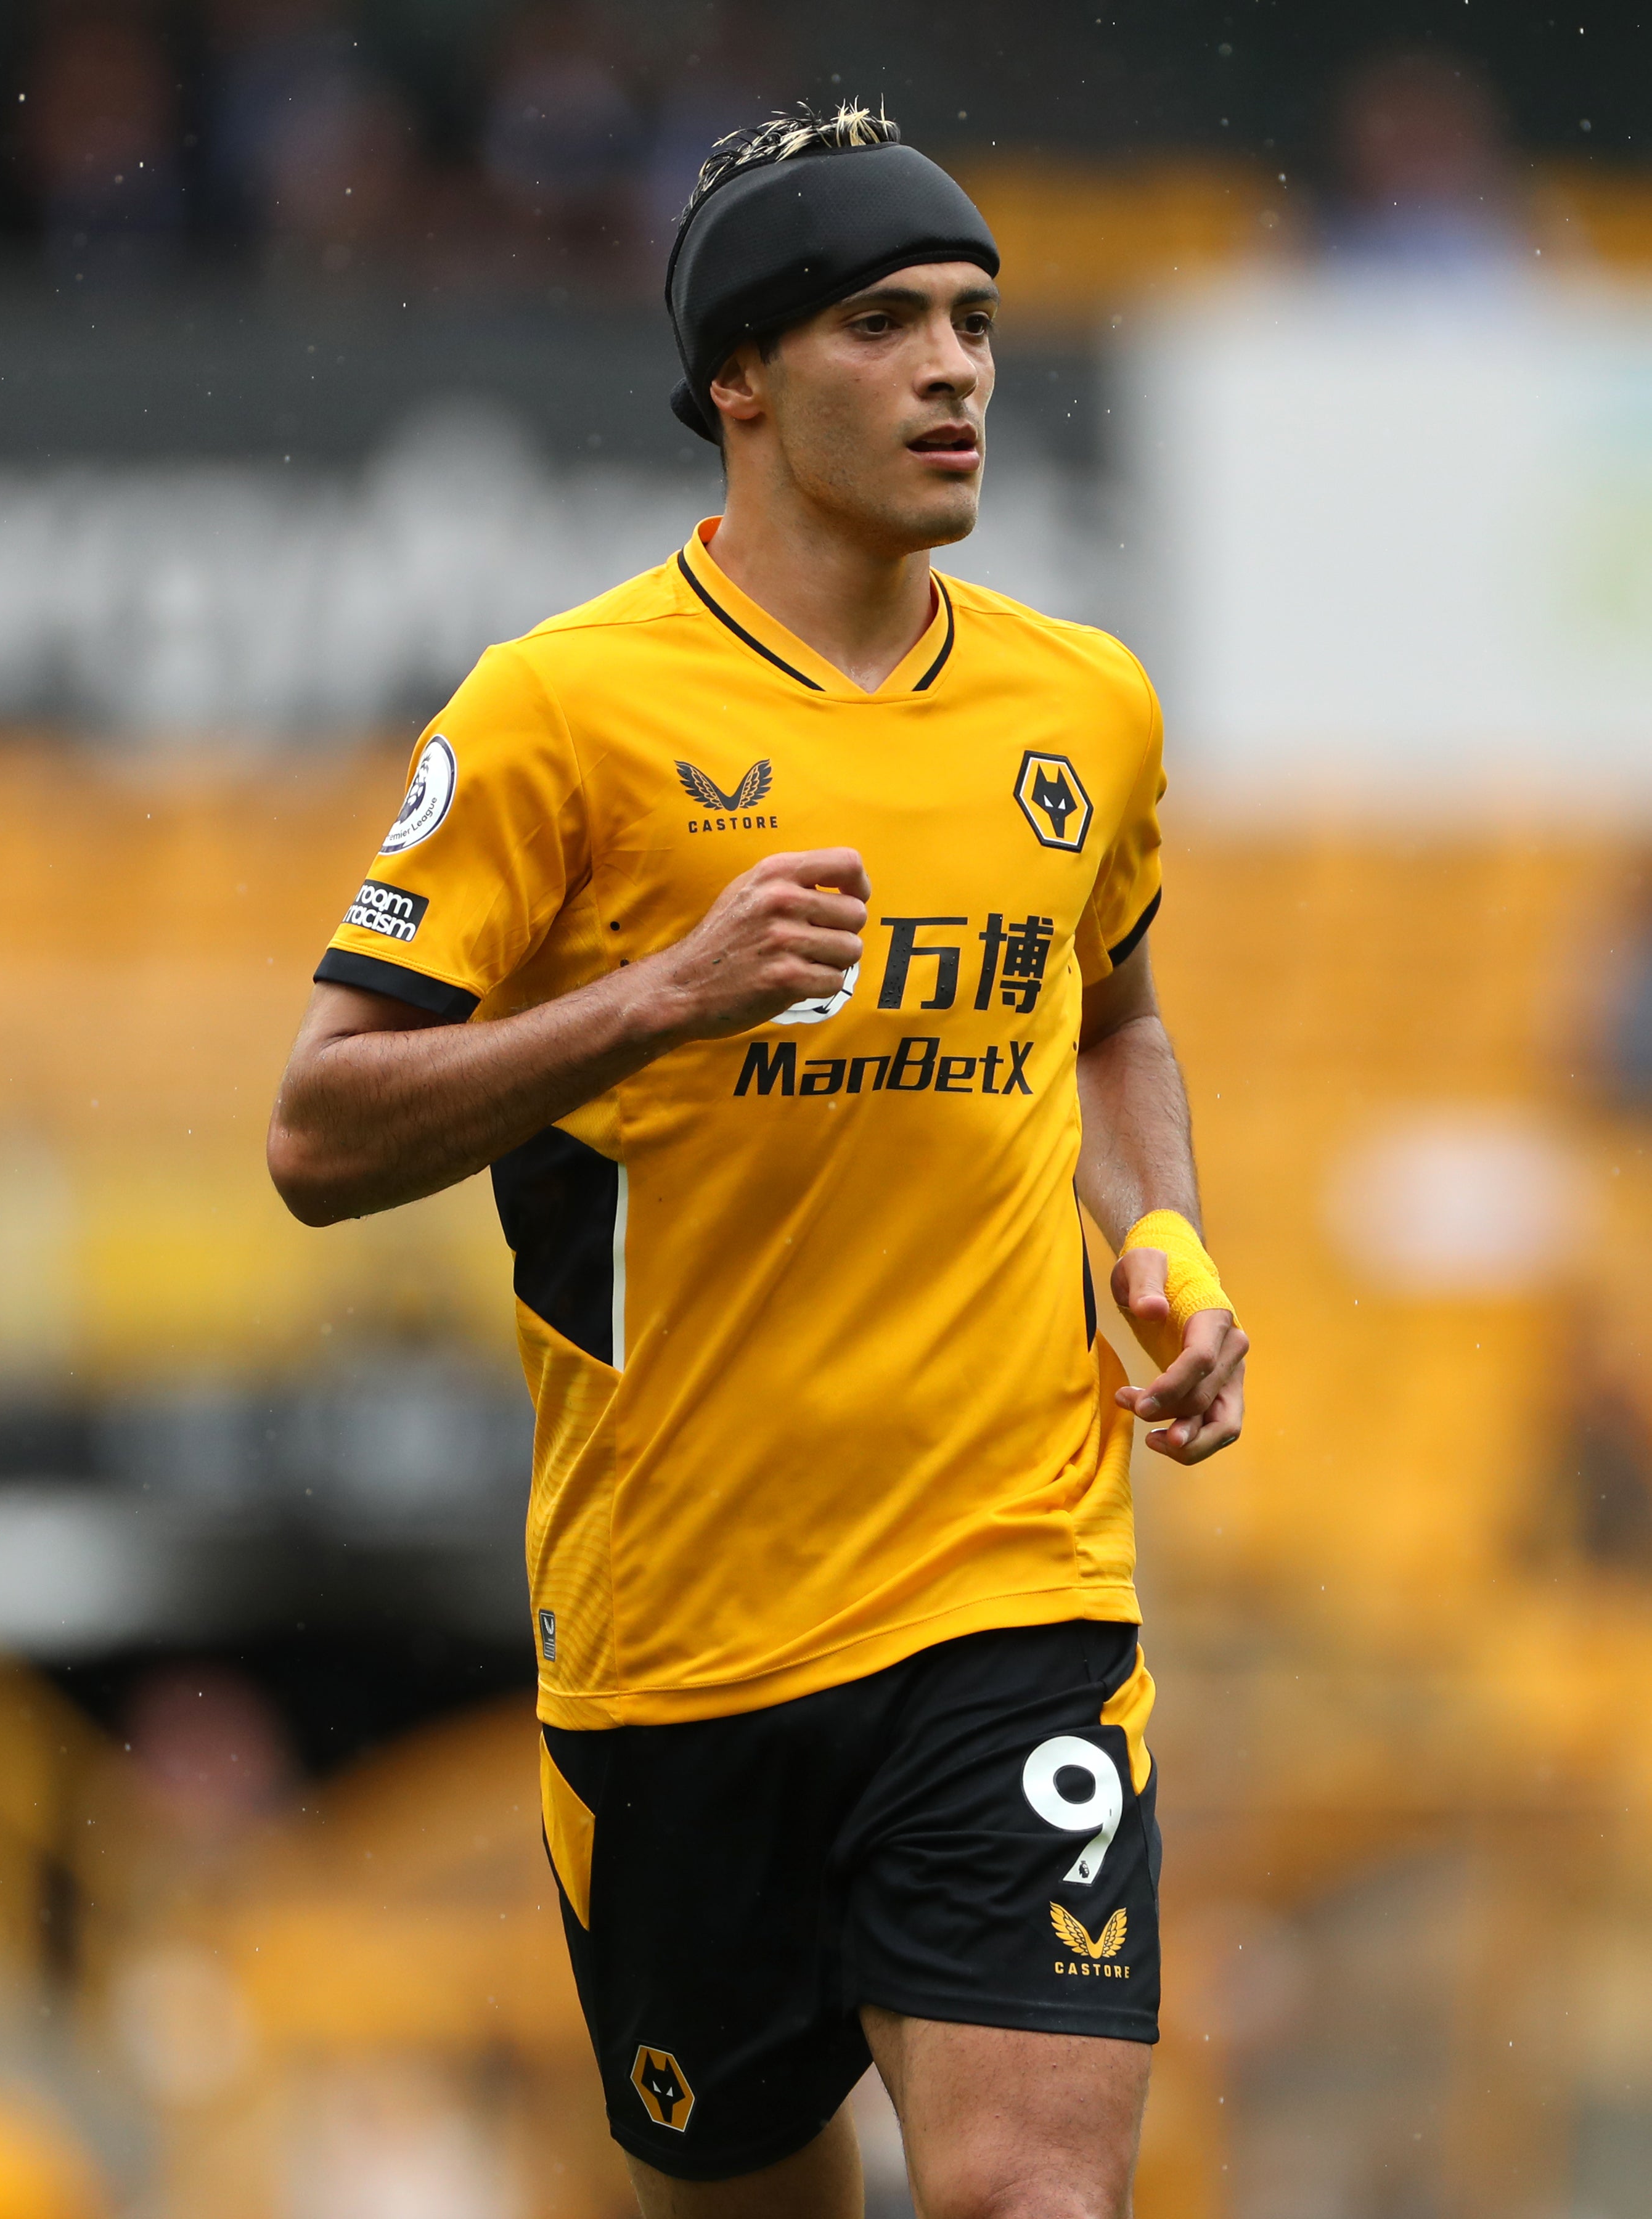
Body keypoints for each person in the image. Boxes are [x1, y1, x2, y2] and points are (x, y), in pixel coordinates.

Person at [269, 102, 1247, 2219]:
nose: (955, 368)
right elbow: (316, 1133)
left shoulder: (1085, 710)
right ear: (737, 377)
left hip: (1012, 1585)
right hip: (677, 1639)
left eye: (974, 321)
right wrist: (654, 999)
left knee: (1035, 2198)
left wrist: (1157, 1235)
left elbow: (1112, 1016)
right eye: (883, 320)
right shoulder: (562, 714)